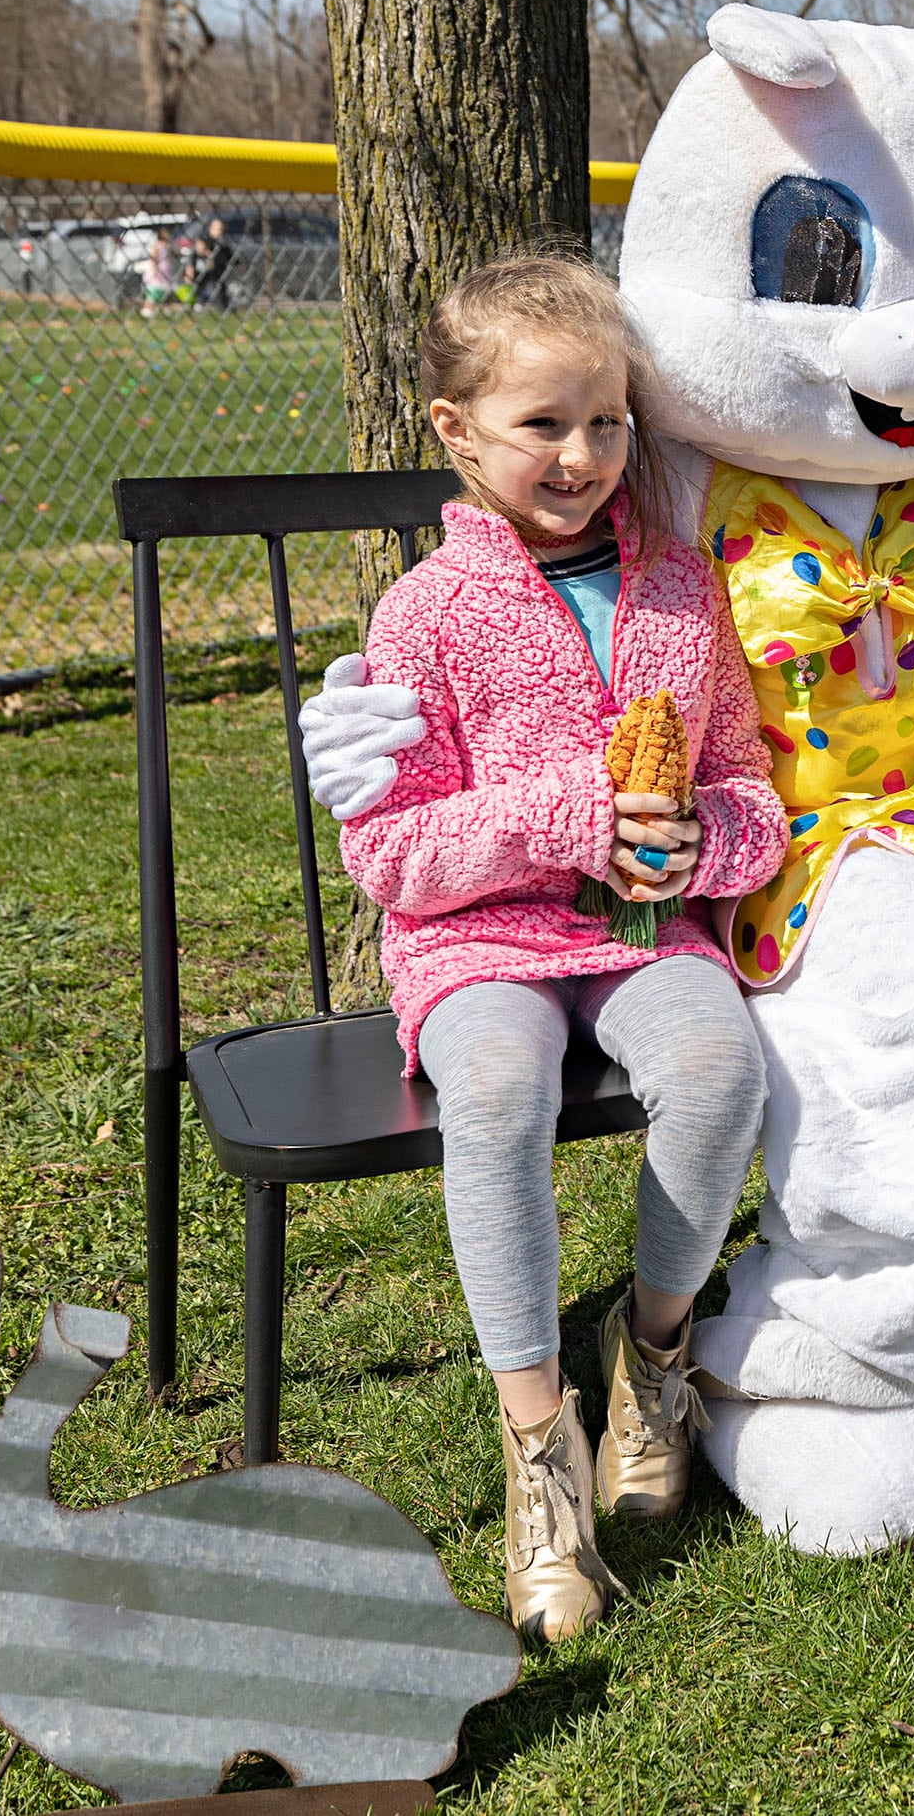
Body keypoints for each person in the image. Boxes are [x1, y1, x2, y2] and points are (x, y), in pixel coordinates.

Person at [339, 254, 789, 1644]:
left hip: (644, 927)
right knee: (490, 1093)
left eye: (607, 421)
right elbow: (389, 852)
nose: (583, 455)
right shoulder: (423, 613)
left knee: (718, 1069)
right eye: (543, 424)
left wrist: (699, 848)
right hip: (477, 940)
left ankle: (652, 1347)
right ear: (455, 430)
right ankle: (538, 1439)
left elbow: (748, 786)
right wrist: (568, 814)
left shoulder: (678, 590)